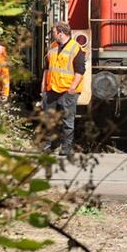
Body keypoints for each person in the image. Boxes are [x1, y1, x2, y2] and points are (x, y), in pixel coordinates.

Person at [41, 21, 85, 156]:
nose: (52, 35)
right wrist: (43, 86)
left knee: (67, 121)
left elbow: (80, 71)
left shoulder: (76, 48)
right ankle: (49, 146)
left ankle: (66, 148)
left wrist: (72, 88)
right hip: (51, 89)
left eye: (54, 32)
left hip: (67, 90)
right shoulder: (52, 47)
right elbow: (47, 69)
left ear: (60, 33)